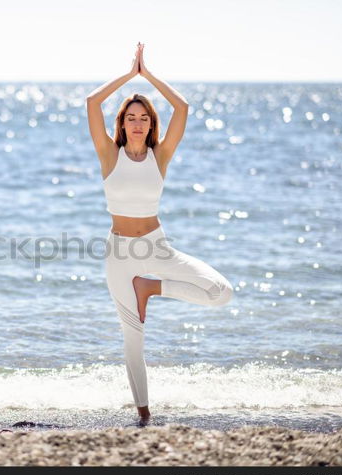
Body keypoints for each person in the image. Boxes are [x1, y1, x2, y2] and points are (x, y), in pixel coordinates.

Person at [85, 42, 233, 425]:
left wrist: (148, 75)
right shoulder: (108, 154)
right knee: (132, 339)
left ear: (152, 124)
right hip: (119, 254)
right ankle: (144, 414)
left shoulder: (160, 156)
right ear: (122, 123)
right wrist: (128, 75)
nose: (137, 123)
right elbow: (91, 102)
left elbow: (182, 108)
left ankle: (152, 287)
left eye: (144, 117)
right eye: (131, 117)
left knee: (221, 293)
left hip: (157, 248)